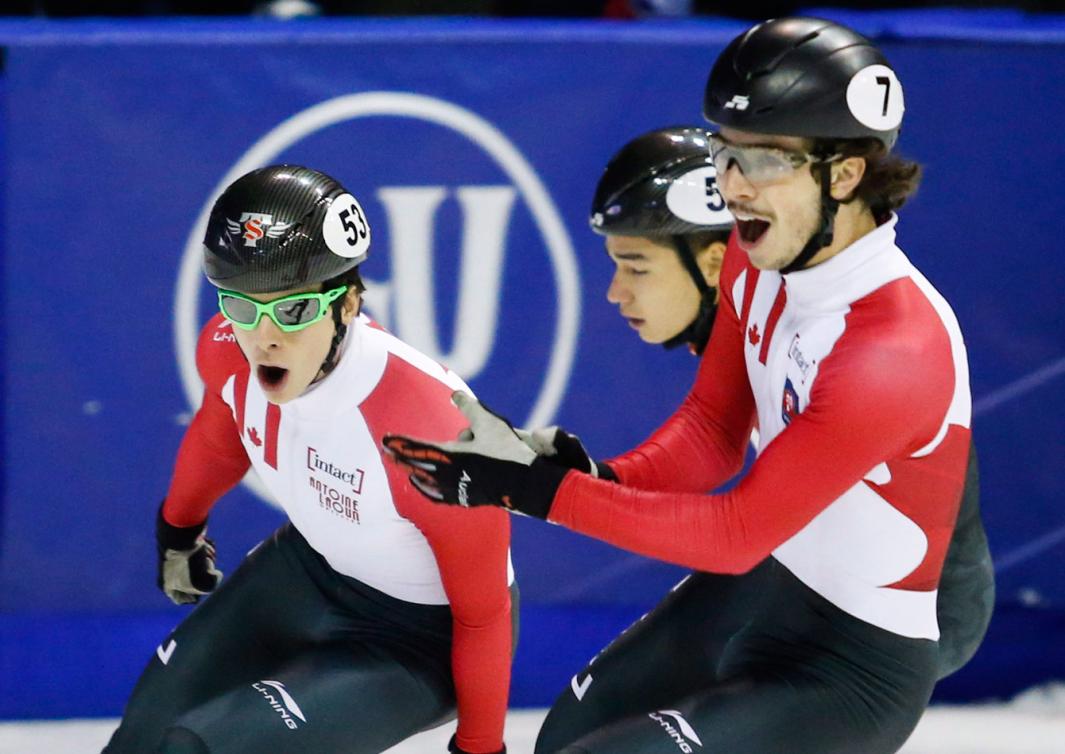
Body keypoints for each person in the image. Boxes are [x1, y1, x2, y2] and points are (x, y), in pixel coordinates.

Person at [384, 17, 980, 753]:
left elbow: (732, 535)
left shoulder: (890, 352)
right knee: (565, 737)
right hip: (767, 586)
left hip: (852, 660)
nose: (733, 187)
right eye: (724, 155)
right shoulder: (754, 257)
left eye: (763, 160)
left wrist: (534, 491)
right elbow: (710, 430)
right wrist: (593, 475)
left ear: (845, 174)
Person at [104, 165, 515, 754]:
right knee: (141, 736)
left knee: (195, 748)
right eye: (242, 308)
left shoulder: (437, 431)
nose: (264, 337)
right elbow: (220, 441)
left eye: (293, 311)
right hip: (311, 572)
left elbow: (484, 615)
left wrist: (481, 748)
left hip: (422, 639)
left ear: (347, 304)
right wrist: (178, 531)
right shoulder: (227, 351)